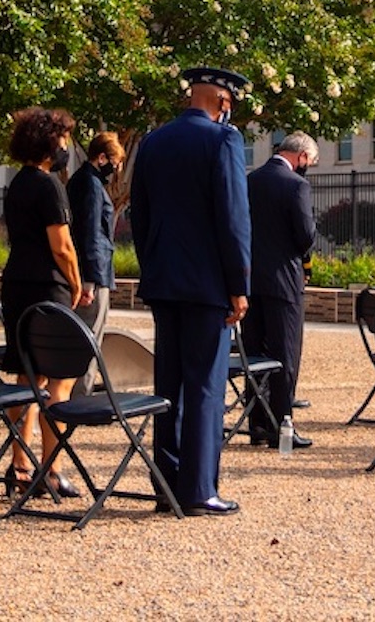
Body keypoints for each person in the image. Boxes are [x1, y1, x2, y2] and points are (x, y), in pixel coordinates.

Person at [129, 66, 251, 516]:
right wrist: (238, 285)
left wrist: (154, 265)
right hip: (207, 286)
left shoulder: (155, 141)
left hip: (165, 280)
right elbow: (233, 218)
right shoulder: (223, 140)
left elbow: (139, 216)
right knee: (204, 386)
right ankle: (199, 488)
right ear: (222, 101)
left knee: (171, 384)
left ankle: (166, 482)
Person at [0, 106, 88, 497]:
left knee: (26, 378)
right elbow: (63, 245)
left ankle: (19, 464)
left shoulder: (17, 183)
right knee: (61, 379)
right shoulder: (50, 185)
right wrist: (77, 283)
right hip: (48, 287)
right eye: (64, 138)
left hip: (17, 281)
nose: (67, 145)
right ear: (51, 142)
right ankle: (51, 470)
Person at [243, 132, 318, 448]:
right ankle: (282, 428)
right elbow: (305, 235)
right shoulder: (296, 185)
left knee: (256, 352)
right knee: (285, 354)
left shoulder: (251, 180)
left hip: (250, 279)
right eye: (310, 162)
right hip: (283, 281)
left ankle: (258, 423)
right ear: (301, 156)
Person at [67, 130, 125, 359]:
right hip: (93, 274)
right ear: (101, 158)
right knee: (89, 340)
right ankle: (83, 393)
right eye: (114, 162)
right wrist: (90, 280)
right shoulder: (91, 185)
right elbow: (91, 232)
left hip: (86, 270)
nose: (116, 169)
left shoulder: (79, 180)